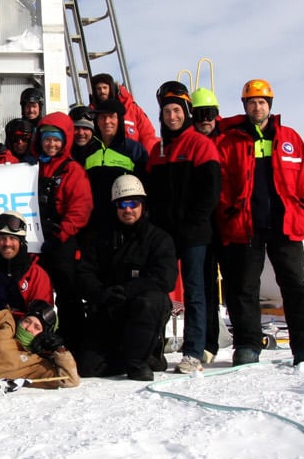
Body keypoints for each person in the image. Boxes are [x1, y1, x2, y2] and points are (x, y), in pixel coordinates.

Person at [216, 79, 304, 367]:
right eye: (252, 102)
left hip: (285, 226)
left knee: (295, 285)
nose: (257, 106)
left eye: (262, 102)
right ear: (245, 106)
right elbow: (221, 182)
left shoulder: (291, 139)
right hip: (246, 226)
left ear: (270, 105)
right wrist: (229, 210)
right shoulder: (231, 141)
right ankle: (247, 345)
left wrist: (302, 210)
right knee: (244, 287)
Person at [145, 81, 222, 375]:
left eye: (177, 110)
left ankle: (192, 352)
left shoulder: (201, 145)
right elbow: (150, 192)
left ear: (186, 112)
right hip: (164, 235)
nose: (172, 116)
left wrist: (193, 223)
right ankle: (153, 349)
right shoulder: (158, 150)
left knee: (195, 291)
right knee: (158, 290)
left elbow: (210, 192)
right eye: (167, 111)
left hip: (194, 234)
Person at [75, 175, 176, 381]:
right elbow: (85, 272)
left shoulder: (158, 238)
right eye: (123, 204)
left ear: (142, 205)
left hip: (142, 308)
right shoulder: (100, 238)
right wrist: (101, 293)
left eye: (133, 203)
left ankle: (137, 362)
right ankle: (140, 355)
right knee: (87, 368)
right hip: (110, 307)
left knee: (149, 302)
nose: (128, 209)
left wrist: (128, 291)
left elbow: (165, 277)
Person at [34, 112, 93, 353]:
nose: (51, 144)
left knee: (68, 294)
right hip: (37, 239)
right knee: (38, 292)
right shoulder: (32, 168)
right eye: (47, 139)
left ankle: (75, 343)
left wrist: (61, 235)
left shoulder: (72, 170)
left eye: (56, 139)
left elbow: (82, 207)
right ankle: (40, 339)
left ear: (65, 141)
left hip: (61, 240)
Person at [190, 86, 225, 359]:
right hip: (201, 227)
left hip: (229, 223)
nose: (205, 119)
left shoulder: (230, 141)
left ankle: (245, 341)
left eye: (209, 113)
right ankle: (206, 343)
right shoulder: (189, 145)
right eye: (199, 114)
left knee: (237, 287)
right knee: (203, 286)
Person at [82, 97, 148, 233]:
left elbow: (146, 185)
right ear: (97, 121)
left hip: (124, 219)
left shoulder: (133, 149)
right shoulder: (88, 151)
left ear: (120, 120)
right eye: (102, 117)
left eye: (112, 117)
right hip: (95, 222)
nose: (107, 122)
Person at [89, 73, 158, 153]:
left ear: (111, 88)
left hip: (132, 158)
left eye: (105, 88)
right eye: (99, 89)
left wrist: (147, 160)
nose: (102, 91)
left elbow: (147, 135)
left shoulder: (131, 108)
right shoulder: (90, 114)